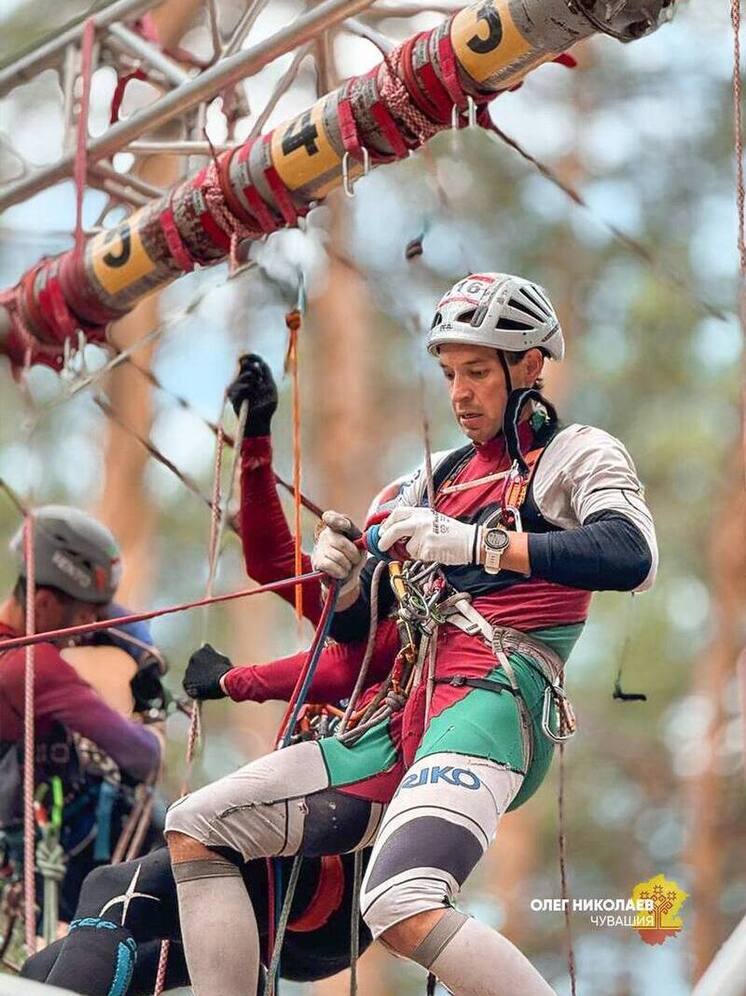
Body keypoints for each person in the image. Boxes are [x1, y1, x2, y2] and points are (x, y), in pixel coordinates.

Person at [166, 271, 658, 996]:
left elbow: (631, 553)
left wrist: (478, 545)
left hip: (493, 705)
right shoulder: (430, 482)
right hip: (404, 717)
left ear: (529, 365)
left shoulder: (576, 454)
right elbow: (358, 630)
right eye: (450, 374)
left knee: (400, 900)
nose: (459, 393)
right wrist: (342, 578)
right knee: (196, 824)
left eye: (478, 372)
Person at [0, 506, 163, 927]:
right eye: (84, 615)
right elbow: (142, 755)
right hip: (68, 853)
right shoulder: (31, 666)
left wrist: (143, 653)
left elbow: (112, 618)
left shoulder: (18, 636)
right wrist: (153, 723)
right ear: (43, 603)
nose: (90, 627)